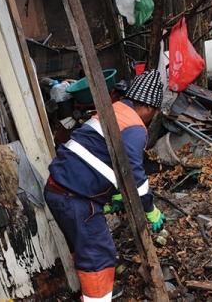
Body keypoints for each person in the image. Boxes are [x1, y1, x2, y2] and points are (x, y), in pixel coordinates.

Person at [45, 69, 168, 302]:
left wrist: (114, 197)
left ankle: (92, 293)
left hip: (56, 189)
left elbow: (100, 155)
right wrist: (149, 209)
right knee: (98, 256)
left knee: (83, 250)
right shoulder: (135, 127)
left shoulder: (112, 110)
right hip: (76, 199)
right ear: (150, 108)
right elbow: (134, 175)